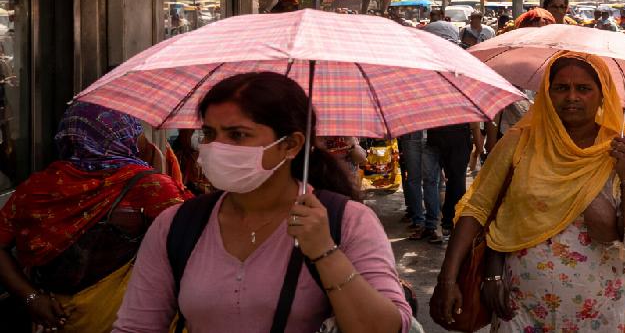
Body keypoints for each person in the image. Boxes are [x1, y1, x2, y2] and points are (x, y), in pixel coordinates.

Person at [114, 72, 411, 333]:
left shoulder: (347, 222)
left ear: (291, 145)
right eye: (209, 134)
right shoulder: (177, 225)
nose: (217, 148)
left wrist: (325, 252)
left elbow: (384, 327)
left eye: (238, 135)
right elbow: (136, 326)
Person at [432, 52, 625, 332]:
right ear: (546, 94)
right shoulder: (519, 142)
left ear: (603, 95)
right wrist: (450, 277)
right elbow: (478, 209)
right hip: (520, 307)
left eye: (584, 89)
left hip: (602, 310)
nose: (572, 97)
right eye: (561, 88)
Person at [0, 103, 190, 333]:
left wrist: (31, 298)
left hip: (56, 319)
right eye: (135, 131)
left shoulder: (37, 188)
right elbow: (193, 241)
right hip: (128, 320)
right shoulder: (150, 187)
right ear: (123, 137)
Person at [426, 121, 483, 242]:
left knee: (451, 181)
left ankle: (448, 222)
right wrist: (478, 147)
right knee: (456, 181)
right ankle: (454, 222)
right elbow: (474, 124)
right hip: (457, 137)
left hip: (438, 135)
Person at [400, 130, 442, 243]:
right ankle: (430, 225)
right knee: (430, 182)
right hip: (430, 133)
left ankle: (420, 222)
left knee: (415, 180)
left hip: (411, 132)